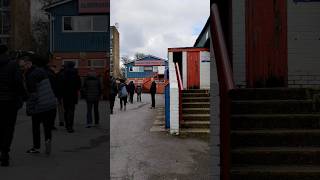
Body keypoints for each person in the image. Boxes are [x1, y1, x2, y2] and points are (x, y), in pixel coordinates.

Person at [24, 54, 57, 155]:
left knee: (36, 127)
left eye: (25, 64)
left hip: (40, 105)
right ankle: (48, 140)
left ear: (30, 64)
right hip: (50, 103)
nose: (24, 66)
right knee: (47, 126)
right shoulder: (43, 72)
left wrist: (29, 108)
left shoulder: (31, 75)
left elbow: (33, 94)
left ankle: (36, 147)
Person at [0, 45, 26, 166]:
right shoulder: (12, 65)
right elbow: (18, 82)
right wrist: (24, 96)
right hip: (10, 101)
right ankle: (4, 152)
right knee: (9, 127)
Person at [59, 61, 81, 133]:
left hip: (65, 95)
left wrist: (61, 94)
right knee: (71, 110)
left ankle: (67, 125)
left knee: (66, 110)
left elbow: (61, 85)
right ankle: (70, 126)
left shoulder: (63, 74)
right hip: (73, 95)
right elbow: (79, 86)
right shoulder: (76, 74)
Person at [44, 64, 59, 130]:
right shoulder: (52, 75)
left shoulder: (45, 74)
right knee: (52, 111)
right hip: (52, 95)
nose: (55, 69)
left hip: (46, 94)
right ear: (51, 67)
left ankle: (47, 124)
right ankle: (51, 125)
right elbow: (55, 86)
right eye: (54, 67)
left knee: (47, 110)